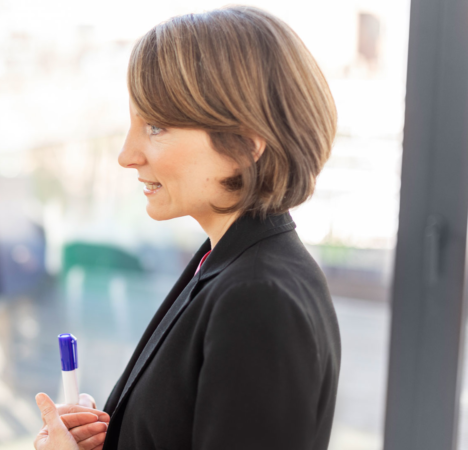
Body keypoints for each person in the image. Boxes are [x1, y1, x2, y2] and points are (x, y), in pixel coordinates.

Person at [34, 6, 341, 450]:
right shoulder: (222, 261)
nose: (126, 154)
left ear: (246, 144)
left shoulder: (258, 298)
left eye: (156, 126)